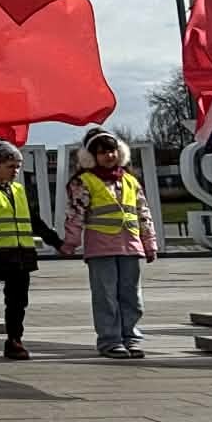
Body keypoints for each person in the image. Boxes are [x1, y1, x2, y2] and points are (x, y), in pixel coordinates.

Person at [0, 139, 63, 359]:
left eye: (17, 166)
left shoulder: (18, 190)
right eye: (10, 166)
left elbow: (33, 220)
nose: (15, 171)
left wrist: (56, 242)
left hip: (20, 256)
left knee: (17, 302)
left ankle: (14, 340)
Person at [62, 125, 159, 359]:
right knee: (105, 296)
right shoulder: (84, 181)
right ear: (91, 156)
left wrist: (150, 243)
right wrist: (70, 242)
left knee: (131, 296)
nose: (109, 155)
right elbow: (75, 214)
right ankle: (109, 340)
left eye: (112, 150)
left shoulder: (130, 181)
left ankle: (131, 338)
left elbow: (142, 212)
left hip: (131, 246)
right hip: (101, 248)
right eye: (102, 152)